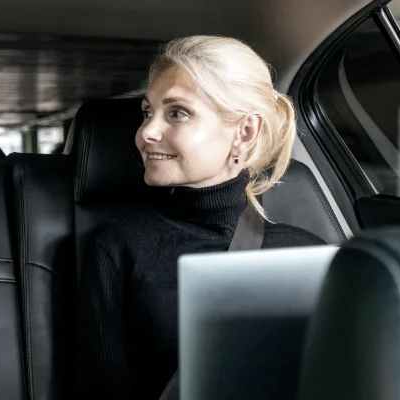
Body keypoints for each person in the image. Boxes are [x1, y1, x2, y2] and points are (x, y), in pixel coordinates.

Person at [75, 36, 325, 399]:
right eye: (147, 112)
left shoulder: (308, 252)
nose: (146, 132)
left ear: (245, 132)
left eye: (177, 112)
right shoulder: (117, 246)